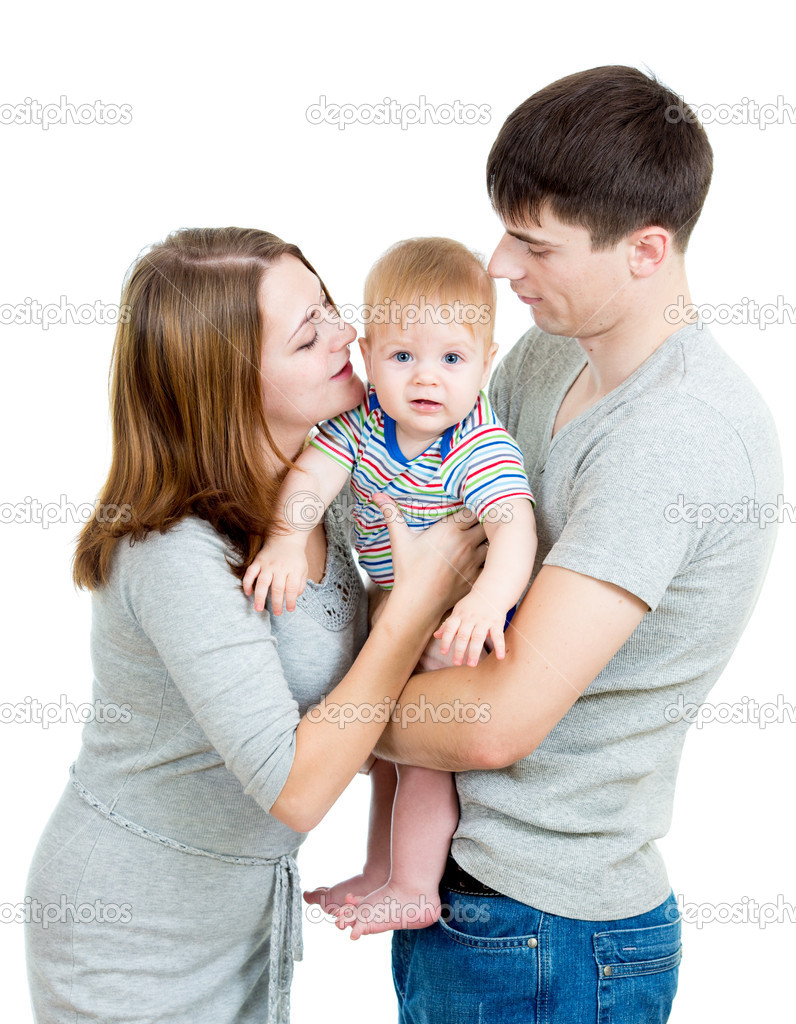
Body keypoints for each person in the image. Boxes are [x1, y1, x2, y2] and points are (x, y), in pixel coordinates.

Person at [374, 67, 783, 1023]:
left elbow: (490, 723)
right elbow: (440, 537)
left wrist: (290, 719)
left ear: (646, 251)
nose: (497, 267)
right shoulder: (550, 352)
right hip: (467, 892)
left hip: (550, 931)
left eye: (533, 243)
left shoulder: (675, 436)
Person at [23, 227, 485, 1024]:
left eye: (333, 310)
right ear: (225, 384)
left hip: (241, 915)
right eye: (311, 336)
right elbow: (296, 788)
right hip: (128, 933)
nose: (349, 336)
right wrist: (413, 609)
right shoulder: (174, 553)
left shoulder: (328, 493)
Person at [244, 236, 536, 938]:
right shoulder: (363, 423)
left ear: (485, 363)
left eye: (452, 359)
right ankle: (382, 869)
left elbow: (515, 530)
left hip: (459, 621)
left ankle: (413, 885)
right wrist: (286, 538)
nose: (426, 379)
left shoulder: (476, 443)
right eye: (403, 357)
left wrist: (485, 602)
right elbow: (310, 480)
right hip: (402, 608)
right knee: (386, 758)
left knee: (425, 759)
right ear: (369, 356)